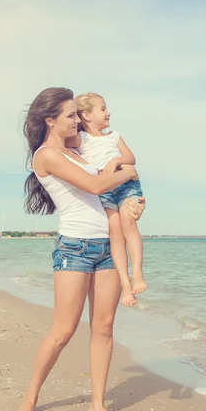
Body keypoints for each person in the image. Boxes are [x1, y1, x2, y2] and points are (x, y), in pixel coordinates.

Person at [13, 87, 145, 411]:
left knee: (103, 328)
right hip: (75, 247)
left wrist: (131, 205)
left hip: (107, 247)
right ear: (50, 120)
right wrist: (129, 173)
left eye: (77, 113)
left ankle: (98, 405)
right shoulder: (46, 155)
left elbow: (105, 181)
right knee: (63, 330)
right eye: (71, 115)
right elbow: (95, 187)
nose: (78, 120)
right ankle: (29, 399)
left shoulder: (76, 149)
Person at [66, 92, 146, 307]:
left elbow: (131, 159)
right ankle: (125, 285)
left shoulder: (114, 136)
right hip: (105, 189)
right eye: (102, 108)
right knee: (115, 231)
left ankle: (137, 272)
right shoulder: (80, 139)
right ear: (87, 115)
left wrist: (116, 161)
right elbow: (60, 139)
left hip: (127, 185)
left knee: (129, 222)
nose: (108, 112)